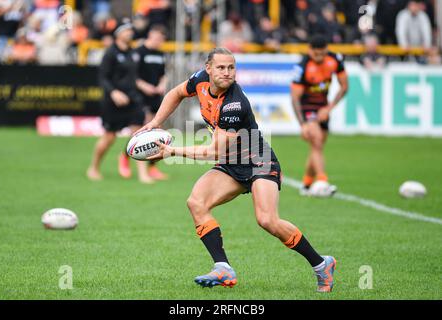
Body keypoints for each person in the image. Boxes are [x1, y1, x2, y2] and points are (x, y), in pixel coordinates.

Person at [137, 47, 337, 292]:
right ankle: (223, 267)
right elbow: (175, 93)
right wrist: (156, 123)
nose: (227, 72)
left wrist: (173, 151)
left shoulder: (234, 103)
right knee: (196, 203)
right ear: (208, 68)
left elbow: (214, 151)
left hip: (258, 160)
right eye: (221, 67)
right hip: (232, 164)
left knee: (267, 220)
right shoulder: (200, 80)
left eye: (231, 68)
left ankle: (321, 264)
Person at [87, 18, 153, 183]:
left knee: (139, 136)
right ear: (118, 34)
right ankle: (93, 168)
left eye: (130, 30)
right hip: (113, 102)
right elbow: (103, 78)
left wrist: (144, 87)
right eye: (126, 30)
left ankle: (143, 174)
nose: (130, 32)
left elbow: (134, 77)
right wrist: (114, 92)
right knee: (109, 137)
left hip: (133, 100)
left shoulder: (133, 52)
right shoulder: (110, 53)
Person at [291, 34, 348, 195]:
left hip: (323, 107)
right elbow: (295, 98)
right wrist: (302, 124)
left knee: (318, 146)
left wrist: (328, 108)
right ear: (310, 50)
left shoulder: (335, 60)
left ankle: (307, 184)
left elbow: (344, 87)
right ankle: (322, 181)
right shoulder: (302, 66)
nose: (319, 57)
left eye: (322, 54)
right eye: (316, 54)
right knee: (316, 142)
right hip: (306, 107)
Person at [135, 24, 169, 180]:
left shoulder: (161, 54)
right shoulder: (139, 52)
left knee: (158, 132)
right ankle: (134, 165)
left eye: (161, 39)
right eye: (156, 38)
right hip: (141, 96)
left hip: (156, 95)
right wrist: (145, 86)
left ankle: (153, 167)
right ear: (150, 35)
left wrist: (162, 84)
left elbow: (163, 74)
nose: (158, 41)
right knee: (144, 132)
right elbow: (132, 76)